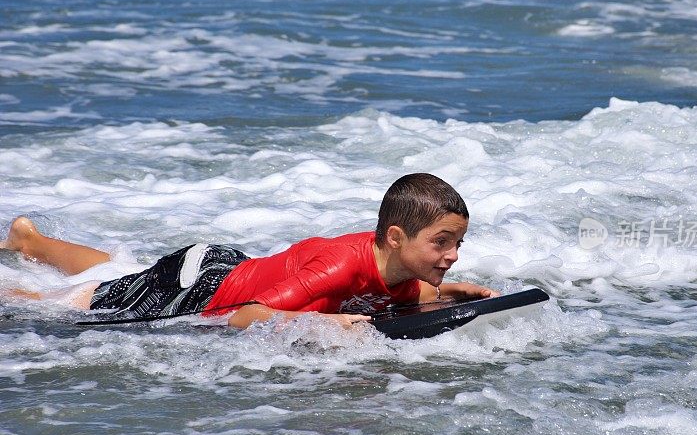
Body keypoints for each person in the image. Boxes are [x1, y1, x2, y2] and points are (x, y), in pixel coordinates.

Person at [1, 173, 498, 329]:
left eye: (457, 243)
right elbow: (245, 316)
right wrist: (321, 323)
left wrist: (450, 291)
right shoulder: (339, 266)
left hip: (228, 266)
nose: (452, 254)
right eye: (441, 243)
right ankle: (13, 285)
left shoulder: (398, 274)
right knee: (68, 307)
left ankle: (30, 240)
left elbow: (397, 295)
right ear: (394, 238)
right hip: (201, 287)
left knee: (127, 273)